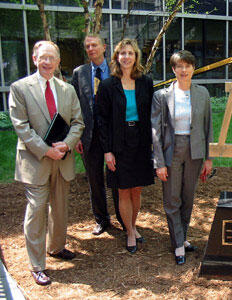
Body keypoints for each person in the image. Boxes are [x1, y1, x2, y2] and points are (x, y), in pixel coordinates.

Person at [8, 40, 84, 286]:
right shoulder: (20, 88)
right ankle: (37, 265)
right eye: (43, 58)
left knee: (60, 208)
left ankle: (57, 247)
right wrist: (45, 150)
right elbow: (21, 126)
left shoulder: (67, 89)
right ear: (34, 59)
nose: (47, 62)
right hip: (35, 160)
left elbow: (77, 122)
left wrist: (67, 144)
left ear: (58, 61)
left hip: (62, 159)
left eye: (52, 58)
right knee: (37, 211)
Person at [151, 50, 213, 265]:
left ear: (193, 68)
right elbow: (155, 131)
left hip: (195, 151)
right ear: (173, 69)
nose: (183, 70)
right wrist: (158, 162)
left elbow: (208, 127)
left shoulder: (203, 93)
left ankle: (182, 236)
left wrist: (208, 157)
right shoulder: (161, 96)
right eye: (179, 66)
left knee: (188, 198)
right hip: (172, 150)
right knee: (172, 199)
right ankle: (178, 244)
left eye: (187, 66)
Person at [97, 39, 154, 254]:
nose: (126, 57)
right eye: (122, 53)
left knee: (137, 189)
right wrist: (107, 151)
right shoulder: (108, 85)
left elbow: (151, 113)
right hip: (118, 142)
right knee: (123, 190)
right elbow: (101, 119)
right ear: (116, 57)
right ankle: (129, 231)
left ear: (136, 57)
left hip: (140, 141)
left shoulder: (145, 82)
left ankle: (133, 224)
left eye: (130, 53)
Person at [71, 34, 124, 235]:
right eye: (87, 46)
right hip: (89, 136)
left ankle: (123, 217)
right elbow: (75, 106)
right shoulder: (80, 73)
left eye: (94, 45)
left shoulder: (117, 70)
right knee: (94, 179)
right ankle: (102, 219)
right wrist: (76, 136)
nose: (91, 49)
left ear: (104, 47)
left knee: (117, 177)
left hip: (113, 135)